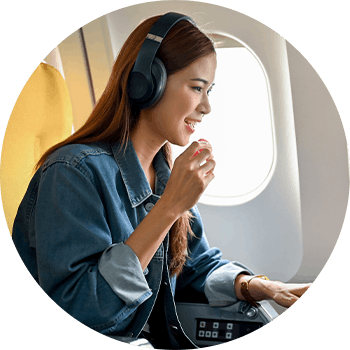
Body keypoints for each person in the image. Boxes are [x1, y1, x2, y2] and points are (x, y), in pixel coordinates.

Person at [12, 12, 311, 349]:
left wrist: (259, 286)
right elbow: (80, 312)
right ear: (146, 82)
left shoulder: (163, 173)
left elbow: (194, 264)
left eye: (209, 90)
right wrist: (169, 207)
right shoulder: (72, 173)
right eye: (197, 88)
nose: (207, 107)